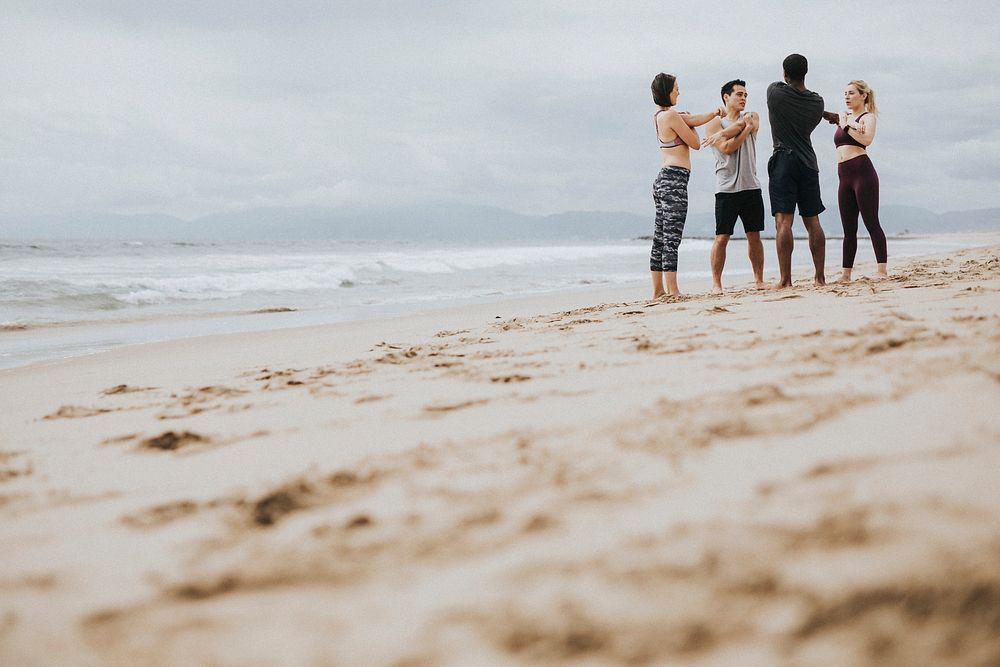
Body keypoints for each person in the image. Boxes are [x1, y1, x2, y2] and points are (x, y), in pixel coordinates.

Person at [649, 72, 723, 299]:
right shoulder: (671, 116)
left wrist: (712, 113)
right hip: (674, 180)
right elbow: (694, 142)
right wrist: (691, 124)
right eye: (676, 89)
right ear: (667, 91)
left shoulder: (661, 115)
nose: (679, 92)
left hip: (664, 178)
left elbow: (694, 119)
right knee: (672, 237)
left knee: (660, 236)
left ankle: (658, 290)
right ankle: (672, 290)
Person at [766, 54, 833, 288]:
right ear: (806, 73)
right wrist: (829, 115)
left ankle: (786, 280)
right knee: (812, 221)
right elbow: (811, 113)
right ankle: (820, 278)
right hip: (808, 162)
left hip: (783, 159)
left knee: (784, 222)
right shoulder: (817, 102)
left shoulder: (774, 92)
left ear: (785, 74)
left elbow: (787, 95)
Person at [702, 79, 767, 293]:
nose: (744, 98)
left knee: (754, 235)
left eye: (746, 95)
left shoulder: (753, 116)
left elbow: (748, 123)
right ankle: (716, 284)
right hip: (726, 188)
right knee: (721, 237)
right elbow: (727, 148)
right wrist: (743, 130)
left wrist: (738, 128)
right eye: (739, 94)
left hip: (751, 186)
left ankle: (759, 280)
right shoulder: (713, 124)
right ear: (726, 97)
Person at [835, 79, 887, 281]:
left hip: (862, 173)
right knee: (848, 229)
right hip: (843, 176)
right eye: (845, 93)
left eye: (851, 93)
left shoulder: (868, 117)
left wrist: (845, 125)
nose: (847, 97)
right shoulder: (845, 118)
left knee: (871, 222)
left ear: (863, 95)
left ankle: (882, 271)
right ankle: (845, 274)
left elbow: (866, 140)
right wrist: (844, 122)